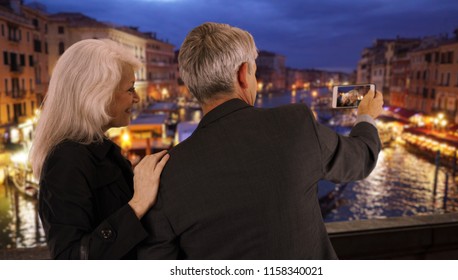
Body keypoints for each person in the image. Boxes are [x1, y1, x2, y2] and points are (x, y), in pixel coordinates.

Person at [138, 22, 383, 259]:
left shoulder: (165, 175)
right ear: (244, 74)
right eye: (254, 71)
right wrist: (365, 116)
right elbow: (362, 158)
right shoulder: (295, 125)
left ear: (192, 86)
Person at [29, 39, 169, 259]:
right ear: (97, 93)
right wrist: (138, 204)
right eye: (130, 89)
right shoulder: (66, 160)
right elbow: (70, 258)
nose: (137, 98)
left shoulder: (95, 151)